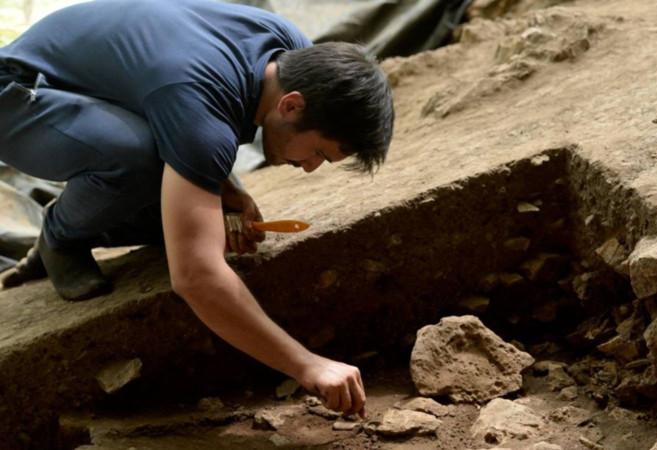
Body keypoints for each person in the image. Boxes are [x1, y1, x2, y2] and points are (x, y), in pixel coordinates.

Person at [0, 0, 394, 419]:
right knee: (138, 162)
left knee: (186, 203)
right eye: (318, 152)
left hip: (96, 83)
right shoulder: (201, 111)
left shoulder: (293, 54)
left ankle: (86, 220)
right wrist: (307, 365)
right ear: (292, 105)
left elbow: (187, 103)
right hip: (19, 91)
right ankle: (61, 236)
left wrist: (227, 189)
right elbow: (195, 278)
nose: (311, 167)